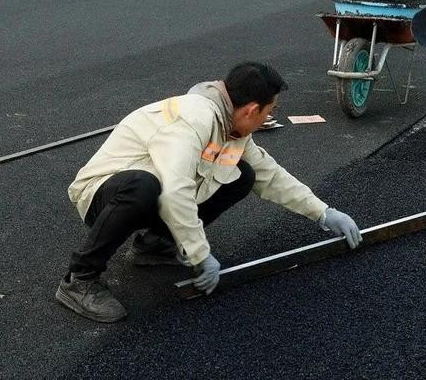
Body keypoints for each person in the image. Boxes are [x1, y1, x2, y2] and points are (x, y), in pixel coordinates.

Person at [56, 62, 361, 322]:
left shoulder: (232, 126)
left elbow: (270, 176)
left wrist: (323, 212)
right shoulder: (194, 119)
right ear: (253, 109)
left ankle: (155, 245)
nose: (270, 116)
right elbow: (176, 190)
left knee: (244, 175)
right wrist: (200, 253)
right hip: (104, 192)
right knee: (144, 187)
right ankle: (79, 279)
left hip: (152, 190)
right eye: (271, 110)